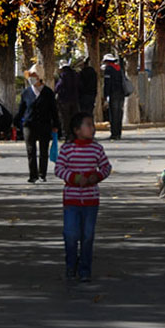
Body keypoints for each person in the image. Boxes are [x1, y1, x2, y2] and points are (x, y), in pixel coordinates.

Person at [54, 112, 112, 282]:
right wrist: (75, 178)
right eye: (88, 125)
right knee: (71, 234)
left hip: (91, 200)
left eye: (92, 125)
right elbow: (59, 169)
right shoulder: (67, 149)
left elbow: (106, 167)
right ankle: (71, 265)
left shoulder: (97, 149)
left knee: (87, 236)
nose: (92, 128)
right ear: (77, 130)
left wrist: (98, 176)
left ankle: (85, 269)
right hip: (71, 200)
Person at [14, 63, 60, 183]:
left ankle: (42, 173)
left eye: (33, 75)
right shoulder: (26, 93)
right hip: (29, 125)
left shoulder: (48, 93)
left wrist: (56, 125)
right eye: (29, 75)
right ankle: (32, 174)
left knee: (43, 150)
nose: (31, 78)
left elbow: (54, 111)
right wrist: (15, 122)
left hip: (44, 125)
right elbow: (21, 110)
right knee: (30, 150)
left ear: (39, 77)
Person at [101, 53, 125, 140]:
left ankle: (114, 134)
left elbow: (107, 84)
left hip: (113, 93)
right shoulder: (119, 69)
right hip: (121, 93)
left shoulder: (108, 69)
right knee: (119, 113)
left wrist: (105, 96)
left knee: (113, 114)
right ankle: (118, 132)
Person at [55, 59, 80, 141]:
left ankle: (66, 134)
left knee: (65, 118)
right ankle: (75, 134)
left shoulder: (63, 75)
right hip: (75, 99)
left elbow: (59, 86)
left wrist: (55, 91)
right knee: (74, 117)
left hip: (64, 100)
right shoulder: (75, 74)